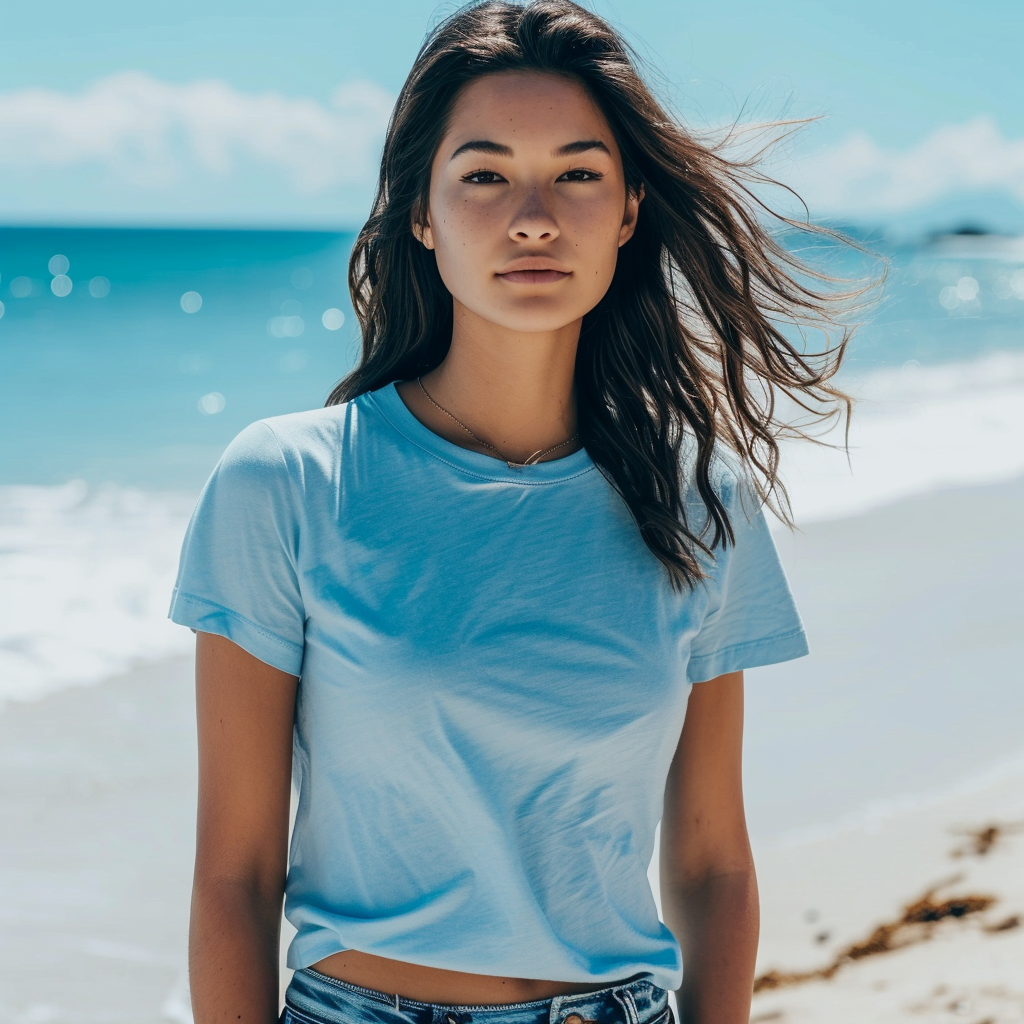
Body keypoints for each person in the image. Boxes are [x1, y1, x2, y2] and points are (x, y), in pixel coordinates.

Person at [169, 2, 860, 1023]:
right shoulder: (285, 483)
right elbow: (235, 873)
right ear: (420, 211)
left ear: (628, 209)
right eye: (484, 175)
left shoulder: (698, 496)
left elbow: (712, 860)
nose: (532, 216)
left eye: (577, 173)